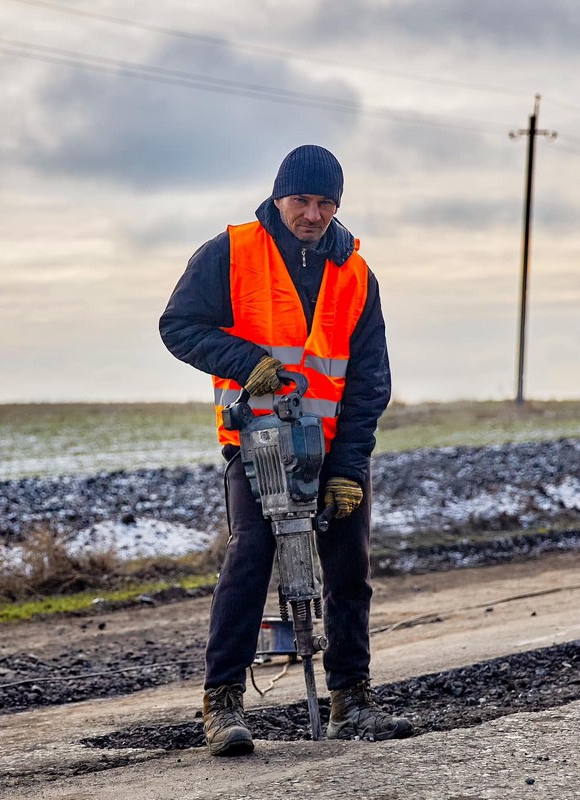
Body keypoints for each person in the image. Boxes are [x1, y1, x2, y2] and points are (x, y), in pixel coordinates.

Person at [160, 144, 411, 756]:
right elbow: (179, 326)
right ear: (279, 197)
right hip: (258, 445)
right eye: (302, 200)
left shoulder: (356, 273)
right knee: (249, 563)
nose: (313, 214)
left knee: (350, 572)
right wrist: (249, 362)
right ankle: (222, 704)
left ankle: (353, 701)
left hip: (332, 450)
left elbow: (369, 379)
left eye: (326, 203)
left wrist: (350, 466)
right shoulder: (231, 252)